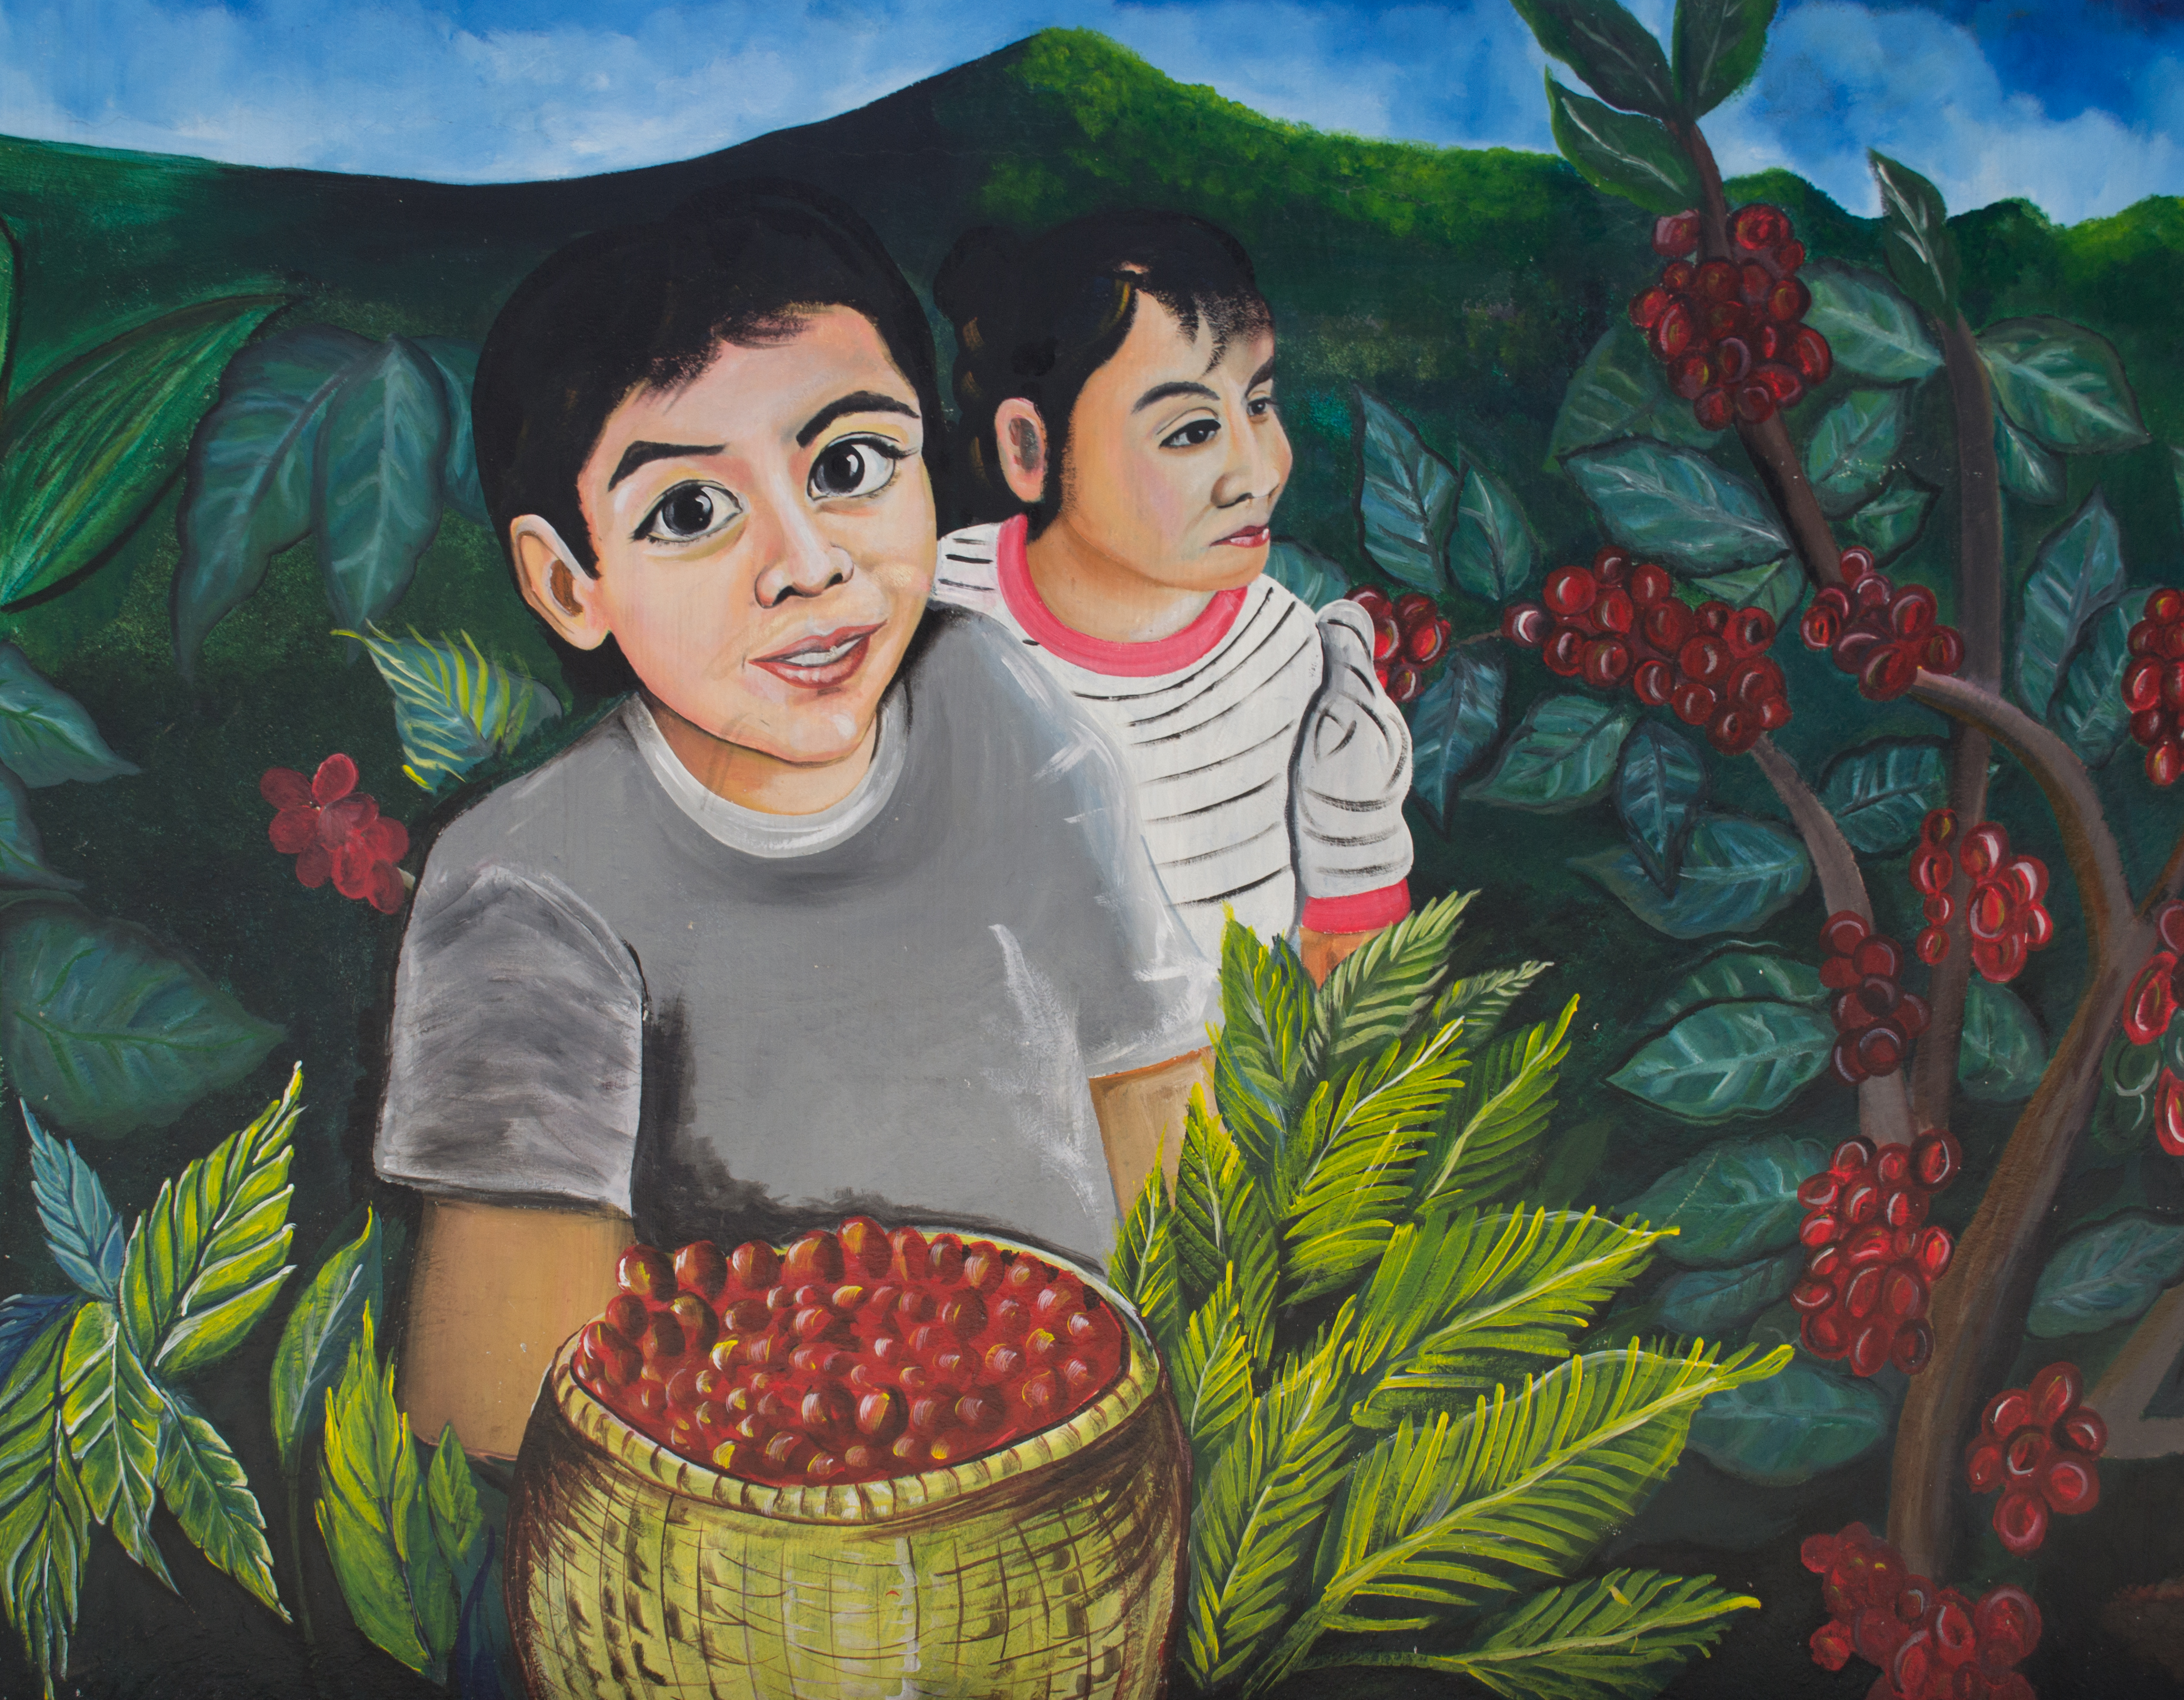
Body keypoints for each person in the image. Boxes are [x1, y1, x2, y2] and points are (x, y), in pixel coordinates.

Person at [372, 182, 1213, 1460]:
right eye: (692, 513)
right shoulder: (529, 884)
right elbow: (498, 1409)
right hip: (740, 1548)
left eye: (850, 466)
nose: (808, 559)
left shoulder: (996, 703)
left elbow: (1163, 1120)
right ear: (568, 581)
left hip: (1084, 1465)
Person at [931, 211, 1414, 979]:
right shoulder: (931, 615)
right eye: (1190, 432)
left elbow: (1351, 967)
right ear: (1030, 449)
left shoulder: (1284, 656)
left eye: (1258, 405)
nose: (1258, 472)